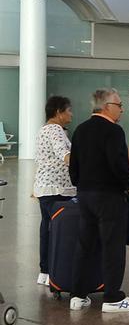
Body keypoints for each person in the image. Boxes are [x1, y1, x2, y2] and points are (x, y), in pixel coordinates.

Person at [68, 88, 129, 313]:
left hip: (85, 194)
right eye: (119, 105)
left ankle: (78, 295)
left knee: (85, 244)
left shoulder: (80, 130)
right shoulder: (114, 131)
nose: (121, 110)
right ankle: (112, 297)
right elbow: (118, 163)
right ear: (107, 107)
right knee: (112, 245)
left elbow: (74, 166)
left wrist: (82, 184)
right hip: (109, 196)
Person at [34, 96, 74, 287]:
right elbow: (64, 154)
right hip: (57, 189)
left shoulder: (43, 130)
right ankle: (53, 272)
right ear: (58, 112)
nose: (71, 114)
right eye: (68, 110)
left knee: (47, 229)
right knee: (58, 231)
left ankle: (45, 271)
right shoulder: (56, 130)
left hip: (45, 187)